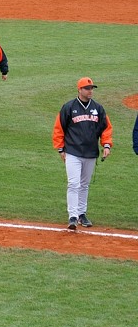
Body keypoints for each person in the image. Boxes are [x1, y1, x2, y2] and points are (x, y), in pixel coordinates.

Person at [52, 77, 113, 230]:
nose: (90, 91)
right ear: (79, 90)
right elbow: (59, 128)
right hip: (73, 152)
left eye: (91, 88)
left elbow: (106, 128)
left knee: (84, 185)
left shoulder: (98, 108)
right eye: (87, 88)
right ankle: (72, 216)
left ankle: (82, 214)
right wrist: (60, 148)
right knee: (74, 184)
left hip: (91, 153)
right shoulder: (69, 107)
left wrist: (106, 145)